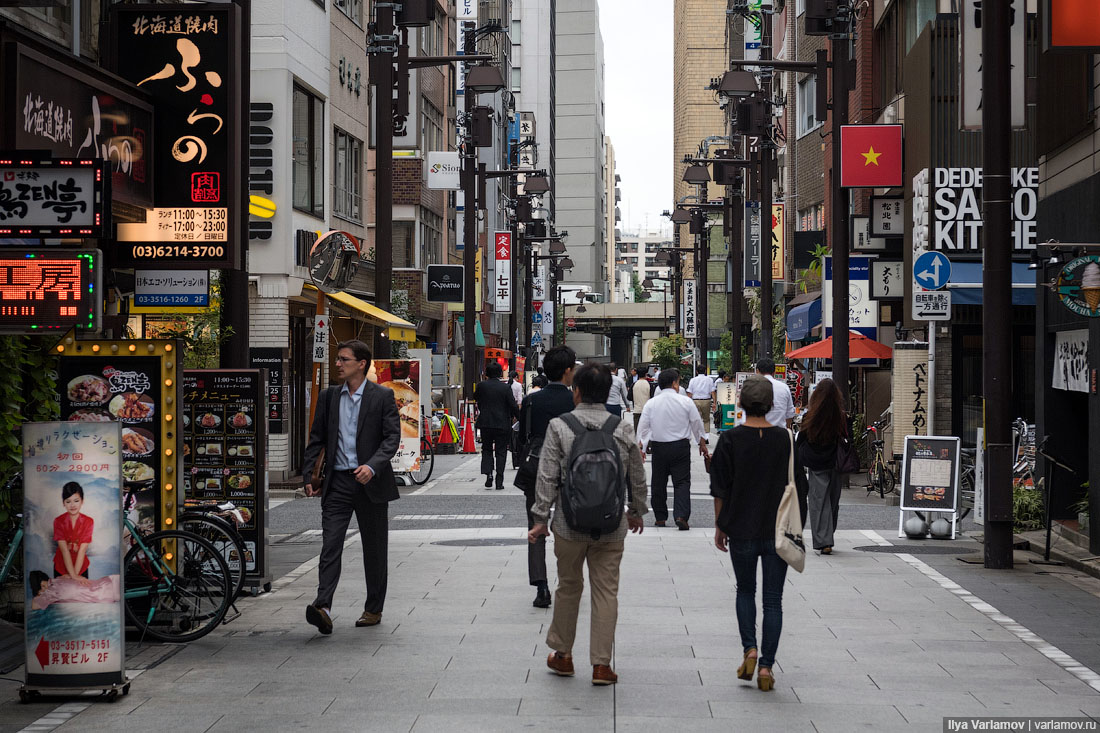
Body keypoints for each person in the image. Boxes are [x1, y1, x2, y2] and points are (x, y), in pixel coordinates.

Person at [529, 362, 648, 686]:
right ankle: (601, 666)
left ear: (576, 391)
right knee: (606, 592)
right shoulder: (621, 427)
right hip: (611, 526)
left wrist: (541, 519)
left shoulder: (560, 426)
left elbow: (547, 476)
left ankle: (564, 656)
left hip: (569, 524)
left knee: (568, 587)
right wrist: (637, 510)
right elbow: (636, 474)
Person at [710, 375, 807, 692]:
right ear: (770, 404)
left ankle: (749, 648)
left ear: (740, 403)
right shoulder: (785, 439)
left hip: (740, 527)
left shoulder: (730, 439)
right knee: (774, 602)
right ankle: (766, 667)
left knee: (744, 591)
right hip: (778, 530)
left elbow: (720, 486)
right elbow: (800, 487)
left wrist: (720, 525)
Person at [303, 339, 401, 634]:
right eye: (337, 359)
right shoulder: (330, 396)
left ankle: (373, 608)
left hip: (370, 482)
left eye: (343, 359)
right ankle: (323, 606)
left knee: (374, 549)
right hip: (338, 482)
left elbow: (391, 438)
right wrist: (309, 474)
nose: (338, 364)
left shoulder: (382, 396)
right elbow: (317, 438)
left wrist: (372, 466)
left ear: (361, 363)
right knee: (331, 544)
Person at [516, 345, 577, 608]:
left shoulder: (531, 400)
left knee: (536, 524)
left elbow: (520, 439)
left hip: (537, 466)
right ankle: (567, 582)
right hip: (569, 466)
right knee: (569, 528)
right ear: (567, 371)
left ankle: (541, 586)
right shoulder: (574, 400)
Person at [637, 368, 708, 530]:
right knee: (682, 482)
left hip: (659, 447)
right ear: (675, 383)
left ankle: (660, 517)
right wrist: (701, 443)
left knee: (658, 483)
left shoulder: (652, 403)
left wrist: (641, 446)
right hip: (680, 446)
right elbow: (696, 423)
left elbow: (644, 428)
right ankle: (681, 515)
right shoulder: (685, 401)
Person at [796, 378, 847, 555]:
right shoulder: (841, 416)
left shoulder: (810, 415)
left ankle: (824, 539)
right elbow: (848, 440)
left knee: (819, 501)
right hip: (835, 463)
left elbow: (801, 439)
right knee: (833, 501)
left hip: (816, 464)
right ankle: (828, 536)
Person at [475, 361, 520, 490]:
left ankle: (488, 473)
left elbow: (476, 397)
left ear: (487, 373)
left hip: (486, 423)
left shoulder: (481, 386)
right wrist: (520, 417)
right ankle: (499, 480)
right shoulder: (505, 388)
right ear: (500, 374)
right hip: (502, 423)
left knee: (487, 449)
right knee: (501, 451)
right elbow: (513, 405)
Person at [54, 482, 92, 582]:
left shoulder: (88, 521)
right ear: (63, 503)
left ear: (82, 501)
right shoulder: (58, 521)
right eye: (68, 501)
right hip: (61, 567)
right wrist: (73, 576)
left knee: (80, 596)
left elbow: (82, 550)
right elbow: (64, 550)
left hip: (81, 567)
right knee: (60, 596)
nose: (72, 505)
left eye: (76, 501)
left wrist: (75, 575)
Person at [756, 357, 796, 429]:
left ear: (757, 371)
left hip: (755, 433)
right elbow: (790, 414)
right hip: (779, 433)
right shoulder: (784, 387)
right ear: (774, 372)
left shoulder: (751, 387)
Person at [686, 366, 717, 436]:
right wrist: (714, 403)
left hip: (695, 401)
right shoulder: (709, 380)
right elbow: (713, 392)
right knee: (706, 419)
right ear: (705, 371)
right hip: (706, 401)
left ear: (697, 371)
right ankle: (706, 436)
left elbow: (690, 392)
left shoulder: (693, 380)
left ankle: (699, 435)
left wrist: (687, 402)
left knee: (697, 419)